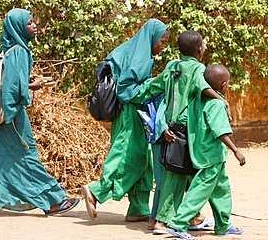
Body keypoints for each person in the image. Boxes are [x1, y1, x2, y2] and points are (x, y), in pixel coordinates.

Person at [0, 8, 79, 216]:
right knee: (27, 154)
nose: (34, 26)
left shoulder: (7, 48)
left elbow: (10, 79)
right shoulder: (20, 51)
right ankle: (52, 201)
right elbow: (12, 89)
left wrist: (27, 80)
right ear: (18, 27)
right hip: (11, 115)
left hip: (0, 115)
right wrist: (30, 89)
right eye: (30, 23)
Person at [81, 19, 170, 222]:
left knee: (142, 159)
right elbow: (127, 89)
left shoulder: (133, 50)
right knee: (126, 156)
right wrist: (157, 84)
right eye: (162, 42)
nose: (162, 47)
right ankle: (96, 190)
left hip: (132, 112)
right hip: (129, 112)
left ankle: (138, 208)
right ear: (153, 38)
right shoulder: (140, 57)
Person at [148, 30, 232, 233]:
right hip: (187, 131)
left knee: (179, 175)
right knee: (181, 177)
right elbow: (203, 87)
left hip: (171, 127)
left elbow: (155, 87)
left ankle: (188, 217)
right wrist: (224, 101)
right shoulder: (198, 69)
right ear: (199, 49)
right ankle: (165, 221)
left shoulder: (173, 67)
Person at [166, 64, 246, 240]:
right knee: (199, 190)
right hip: (211, 156)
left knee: (221, 190)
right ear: (223, 85)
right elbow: (220, 132)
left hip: (202, 153)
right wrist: (236, 150)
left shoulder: (195, 101)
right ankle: (178, 224)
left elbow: (183, 119)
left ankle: (223, 225)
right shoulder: (216, 104)